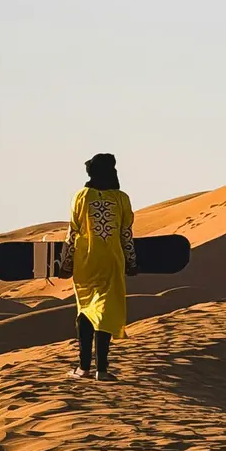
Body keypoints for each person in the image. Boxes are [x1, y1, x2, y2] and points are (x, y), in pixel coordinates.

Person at [60, 153, 137, 380]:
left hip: (85, 263)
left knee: (85, 309)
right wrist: (132, 261)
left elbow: (72, 233)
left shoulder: (81, 197)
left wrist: (66, 263)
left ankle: (83, 368)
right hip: (112, 262)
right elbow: (125, 234)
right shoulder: (121, 198)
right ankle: (101, 370)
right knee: (105, 312)